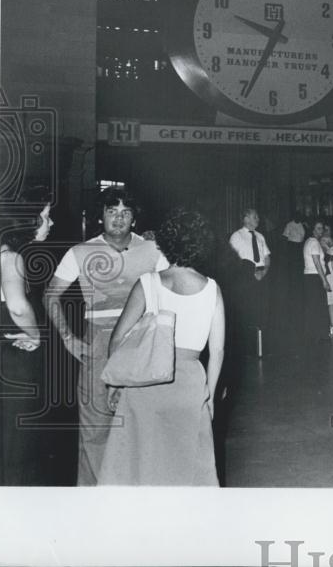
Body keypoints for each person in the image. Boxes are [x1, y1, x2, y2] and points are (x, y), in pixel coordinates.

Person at [44, 186, 169, 486]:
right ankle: (96, 500)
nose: (118, 219)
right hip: (98, 340)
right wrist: (68, 338)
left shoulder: (153, 250)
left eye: (125, 213)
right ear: (101, 217)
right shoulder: (80, 252)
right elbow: (51, 295)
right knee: (96, 427)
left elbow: (171, 292)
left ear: (134, 219)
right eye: (112, 212)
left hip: (142, 340)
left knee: (143, 423)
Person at [98, 209, 225, 486]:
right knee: (187, 465)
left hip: (147, 382)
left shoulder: (148, 283)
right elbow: (216, 352)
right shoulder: (212, 289)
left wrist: (115, 385)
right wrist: (210, 396)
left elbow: (117, 339)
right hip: (190, 384)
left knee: (143, 464)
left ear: (165, 244)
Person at [0, 201, 54, 485]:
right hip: (15, 355)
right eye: (46, 217)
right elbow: (18, 307)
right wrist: (36, 335)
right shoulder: (12, 257)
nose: (51, 223)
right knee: (17, 439)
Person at [227, 208, 270, 357]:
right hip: (244, 276)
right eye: (254, 216)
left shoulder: (260, 236)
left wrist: (263, 272)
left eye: (257, 216)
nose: (258, 219)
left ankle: (259, 349)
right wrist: (248, 273)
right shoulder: (236, 236)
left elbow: (267, 257)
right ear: (245, 219)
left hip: (261, 275)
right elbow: (233, 260)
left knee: (261, 311)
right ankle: (243, 350)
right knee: (245, 312)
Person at [303, 219, 332, 341]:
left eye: (322, 228)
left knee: (313, 306)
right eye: (319, 228)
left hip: (311, 277)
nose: (321, 231)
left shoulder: (310, 241)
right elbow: (317, 263)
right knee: (317, 307)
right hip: (315, 277)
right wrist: (324, 280)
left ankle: (313, 334)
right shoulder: (314, 243)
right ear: (313, 229)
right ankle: (317, 334)